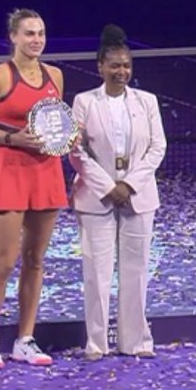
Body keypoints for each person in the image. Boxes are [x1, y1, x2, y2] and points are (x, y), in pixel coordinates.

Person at [0, 8, 68, 369]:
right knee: (5, 262)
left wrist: (68, 137)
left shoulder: (55, 75)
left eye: (41, 33)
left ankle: (25, 339)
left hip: (46, 171)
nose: (36, 39)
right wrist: (11, 138)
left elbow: (55, 123)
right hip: (9, 171)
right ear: (13, 37)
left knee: (35, 261)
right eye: (29, 33)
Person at [69, 24, 167, 360]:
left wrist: (129, 185)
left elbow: (157, 147)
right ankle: (97, 344)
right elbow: (76, 151)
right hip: (96, 198)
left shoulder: (147, 102)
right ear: (100, 67)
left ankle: (135, 342)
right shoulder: (83, 102)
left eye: (126, 65)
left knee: (136, 273)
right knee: (96, 274)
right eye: (114, 65)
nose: (121, 71)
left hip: (139, 198)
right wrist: (109, 187)